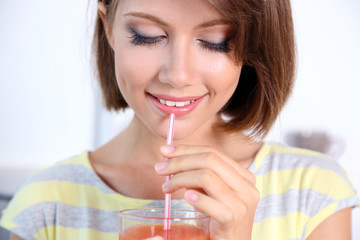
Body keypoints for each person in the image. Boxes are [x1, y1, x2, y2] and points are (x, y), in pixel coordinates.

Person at [1, 0, 359, 239]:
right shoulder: (44, 207)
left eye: (217, 41)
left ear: (253, 44)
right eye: (147, 36)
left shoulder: (314, 194)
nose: (178, 75)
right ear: (108, 26)